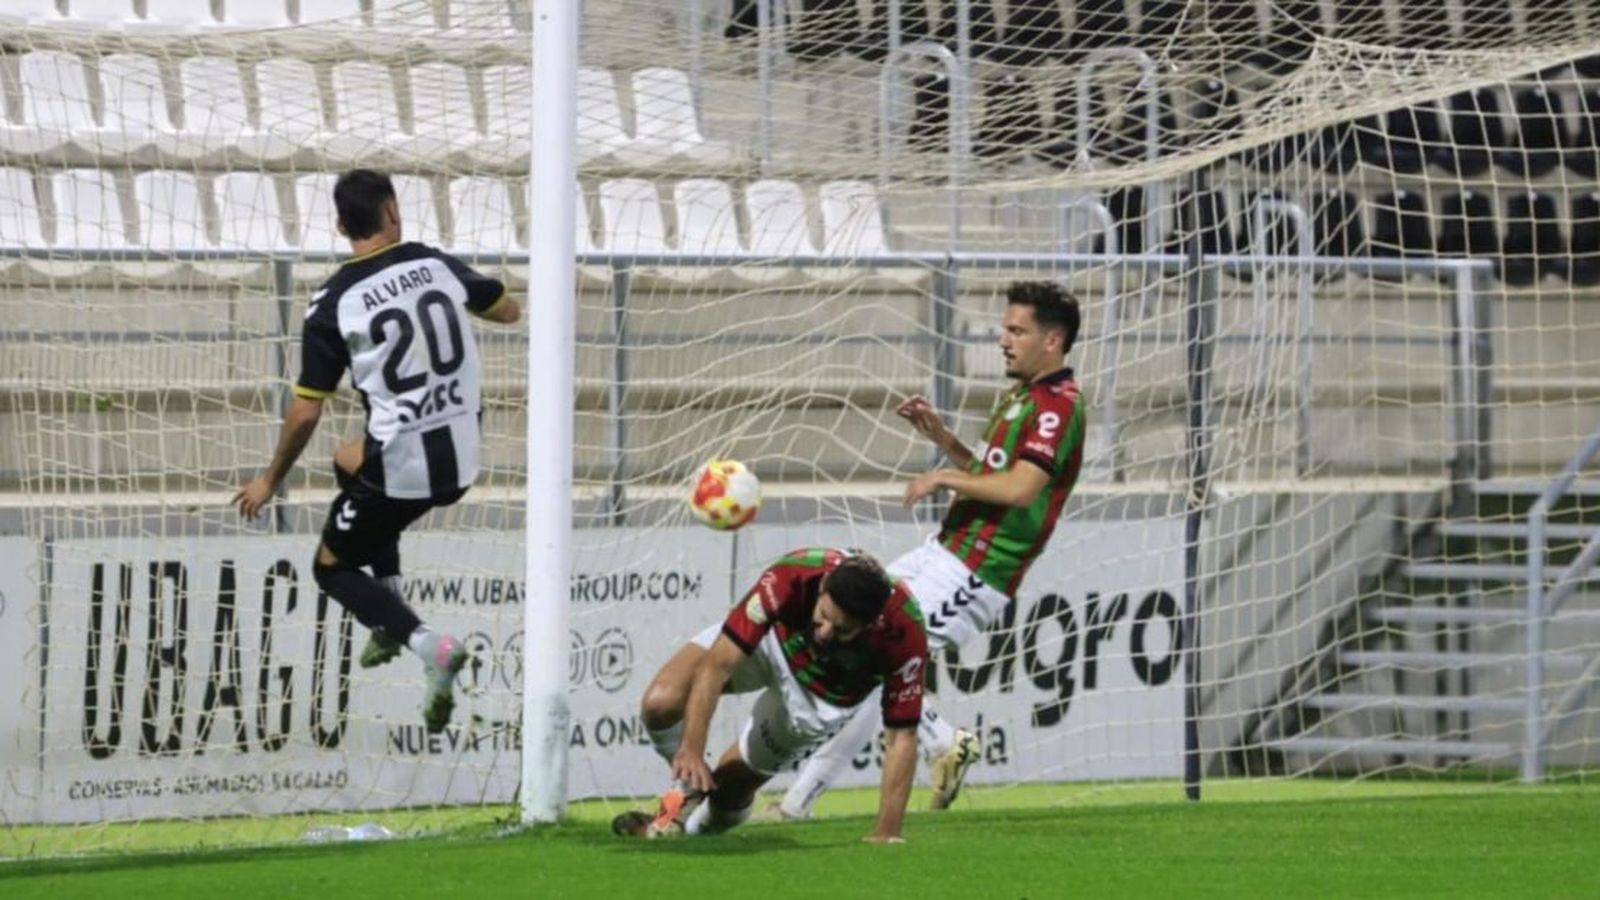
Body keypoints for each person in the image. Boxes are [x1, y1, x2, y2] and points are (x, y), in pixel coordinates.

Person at [774, 280, 1085, 819]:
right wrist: (943, 438)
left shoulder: (1057, 406)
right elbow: (992, 474)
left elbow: (1020, 490)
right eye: (1004, 328)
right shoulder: (1022, 396)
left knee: (874, 661)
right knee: (865, 634)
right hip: (946, 550)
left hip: (977, 569)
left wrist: (943, 476)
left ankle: (798, 804)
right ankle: (941, 741)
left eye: (1017, 330)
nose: (1003, 339)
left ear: (1052, 340)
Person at [232, 168, 521, 734]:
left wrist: (270, 479)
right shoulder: (433, 263)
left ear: (342, 226)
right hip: (463, 457)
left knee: (329, 568)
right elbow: (508, 310)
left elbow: (306, 409)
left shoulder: (332, 303)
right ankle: (390, 601)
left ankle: (423, 643)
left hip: (402, 470)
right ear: (393, 211)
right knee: (347, 459)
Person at [612, 549, 928, 843]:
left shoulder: (905, 631)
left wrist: (887, 832)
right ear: (824, 587)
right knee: (660, 703)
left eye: (842, 630)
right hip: (772, 641)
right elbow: (717, 666)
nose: (825, 632)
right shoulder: (793, 574)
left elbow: (902, 736)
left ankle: (691, 831)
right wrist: (692, 750)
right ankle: (679, 801)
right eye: (822, 615)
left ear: (870, 624)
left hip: (822, 698)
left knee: (728, 793)